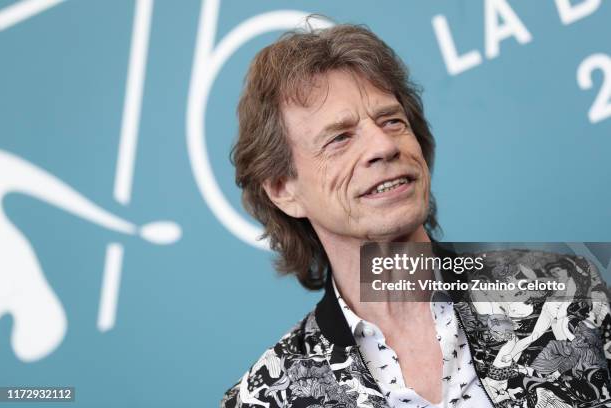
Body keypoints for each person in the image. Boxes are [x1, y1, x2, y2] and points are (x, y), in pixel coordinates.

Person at [220, 20, 611, 408]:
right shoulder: (265, 398)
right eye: (340, 138)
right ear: (283, 189)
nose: (383, 144)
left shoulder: (570, 291)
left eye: (392, 120)